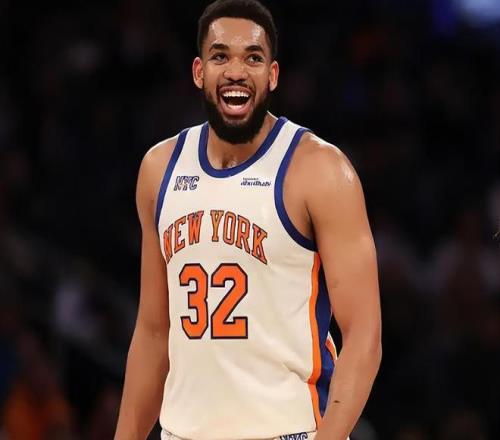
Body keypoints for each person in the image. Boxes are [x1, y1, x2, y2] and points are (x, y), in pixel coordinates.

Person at [114, 1, 382, 439]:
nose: (236, 71)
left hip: (288, 430)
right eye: (221, 56)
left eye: (252, 58)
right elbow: (152, 332)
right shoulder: (159, 169)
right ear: (199, 72)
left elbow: (364, 336)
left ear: (272, 75)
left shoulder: (320, 171)